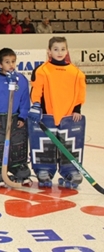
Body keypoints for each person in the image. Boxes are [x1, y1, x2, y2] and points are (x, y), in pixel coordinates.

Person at [28, 36, 86, 188]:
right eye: (55, 49)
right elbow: (36, 90)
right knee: (46, 143)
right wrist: (36, 106)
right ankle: (44, 169)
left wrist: (77, 109)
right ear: (49, 51)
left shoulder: (76, 73)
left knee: (69, 144)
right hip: (47, 115)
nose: (59, 52)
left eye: (62, 49)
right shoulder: (42, 71)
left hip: (68, 116)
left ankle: (71, 170)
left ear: (67, 51)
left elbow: (80, 92)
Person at [0, 48, 31, 187]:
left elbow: (24, 99)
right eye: (7, 62)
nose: (11, 64)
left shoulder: (21, 79)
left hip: (15, 117)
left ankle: (17, 166)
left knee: (18, 142)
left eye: (13, 61)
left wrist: (22, 116)